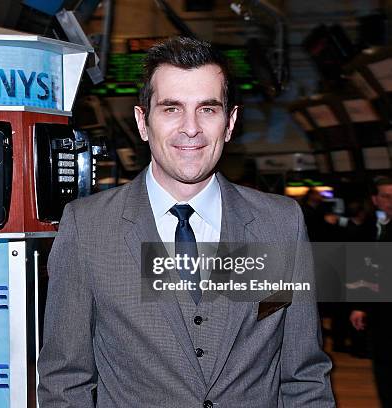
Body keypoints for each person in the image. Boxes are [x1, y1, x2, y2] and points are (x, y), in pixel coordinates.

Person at [37, 37, 334, 407]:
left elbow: (304, 376)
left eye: (208, 109)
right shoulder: (88, 228)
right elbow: (65, 381)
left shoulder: (280, 224)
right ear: (143, 122)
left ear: (230, 122)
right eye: (171, 109)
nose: (190, 128)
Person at [350, 176, 392, 407]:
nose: (391, 201)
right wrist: (358, 305)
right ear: (375, 200)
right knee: (383, 365)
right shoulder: (367, 229)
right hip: (380, 313)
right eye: (386, 196)